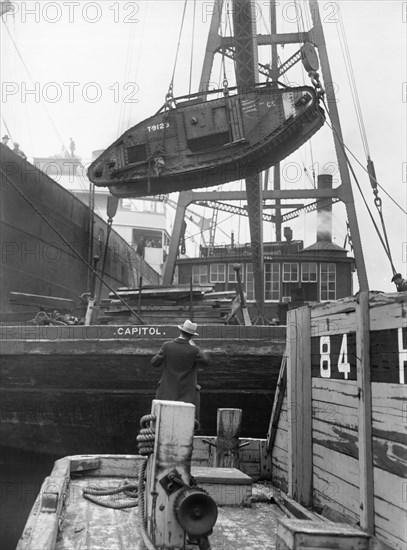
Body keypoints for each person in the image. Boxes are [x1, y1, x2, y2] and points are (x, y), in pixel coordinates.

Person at [151, 319, 209, 421]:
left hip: (166, 393)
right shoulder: (194, 351)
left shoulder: (167, 346)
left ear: (180, 331)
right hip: (187, 395)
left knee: (164, 421)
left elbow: (155, 363)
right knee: (185, 422)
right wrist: (194, 346)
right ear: (191, 336)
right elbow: (206, 362)